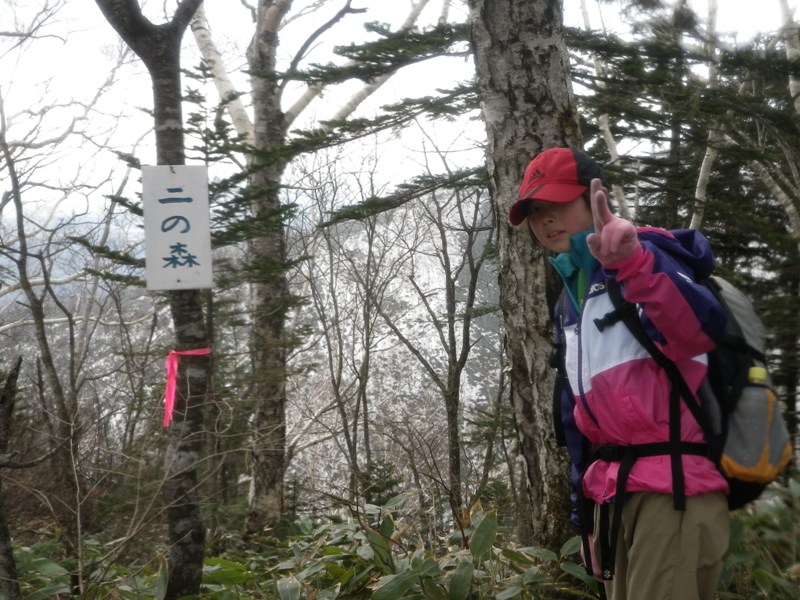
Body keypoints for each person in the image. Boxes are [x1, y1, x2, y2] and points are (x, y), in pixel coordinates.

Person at [508, 147, 731, 600]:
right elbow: (579, 422)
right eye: (535, 211)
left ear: (596, 198)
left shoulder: (645, 257)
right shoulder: (573, 298)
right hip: (615, 498)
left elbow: (700, 330)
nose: (546, 220)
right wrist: (586, 513)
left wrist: (633, 264)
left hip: (673, 492)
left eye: (558, 203)